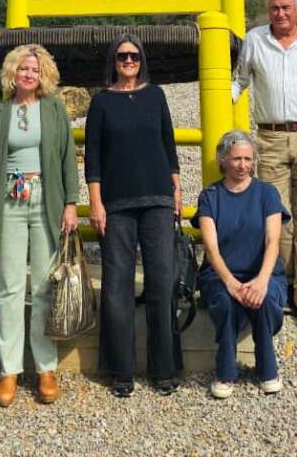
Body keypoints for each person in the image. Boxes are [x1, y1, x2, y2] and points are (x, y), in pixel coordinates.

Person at [0, 44, 80, 407]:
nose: (28, 74)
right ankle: (8, 370)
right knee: (8, 286)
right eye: (22, 68)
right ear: (12, 73)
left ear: (43, 75)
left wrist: (71, 204)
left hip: (46, 201)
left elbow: (68, 159)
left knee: (42, 286)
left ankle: (45, 367)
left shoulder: (53, 109)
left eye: (34, 69)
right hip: (8, 201)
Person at [84, 34, 183, 398]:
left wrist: (176, 190)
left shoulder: (156, 96)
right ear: (113, 60)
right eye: (123, 56)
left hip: (158, 199)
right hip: (116, 205)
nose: (128, 61)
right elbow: (93, 159)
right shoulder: (101, 102)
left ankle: (164, 367)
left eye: (134, 56)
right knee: (116, 287)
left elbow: (168, 146)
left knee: (162, 282)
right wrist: (95, 203)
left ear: (142, 60)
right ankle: (120, 370)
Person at [232, 0, 297, 331]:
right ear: (267, 10)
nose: (280, 14)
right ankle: (282, 284)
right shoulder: (255, 40)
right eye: (274, 8)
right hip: (270, 136)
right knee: (277, 217)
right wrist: (218, 113)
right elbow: (240, 81)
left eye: (286, 7)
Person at [194, 130, 290, 399]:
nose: (243, 165)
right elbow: (211, 249)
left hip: (264, 272)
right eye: (237, 158)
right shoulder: (209, 196)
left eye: (248, 159)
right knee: (226, 300)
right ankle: (225, 369)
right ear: (223, 159)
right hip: (220, 274)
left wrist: (260, 281)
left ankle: (266, 366)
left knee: (265, 297)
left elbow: (273, 242)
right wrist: (231, 283)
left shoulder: (267, 193)